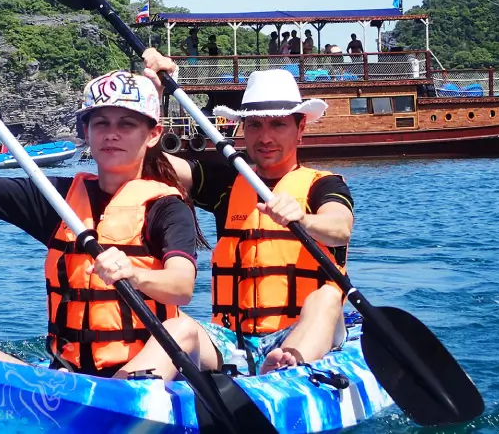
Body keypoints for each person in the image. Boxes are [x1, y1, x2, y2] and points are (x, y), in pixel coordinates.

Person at [0, 68, 211, 381]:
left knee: (182, 328)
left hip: (138, 377)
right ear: (86, 132)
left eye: (126, 124)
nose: (111, 133)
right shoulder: (56, 198)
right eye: (101, 123)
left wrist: (135, 274)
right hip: (66, 381)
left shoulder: (166, 207)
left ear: (152, 134)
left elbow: (182, 287)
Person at [142, 50, 354, 377]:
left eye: (278, 125)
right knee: (177, 327)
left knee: (326, 297)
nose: (265, 137)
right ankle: (126, 393)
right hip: (233, 341)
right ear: (243, 129)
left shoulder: (322, 186)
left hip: (300, 332)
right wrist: (153, 92)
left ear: (301, 129)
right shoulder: (228, 183)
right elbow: (151, 165)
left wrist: (303, 219)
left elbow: (339, 227)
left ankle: (288, 367)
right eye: (254, 125)